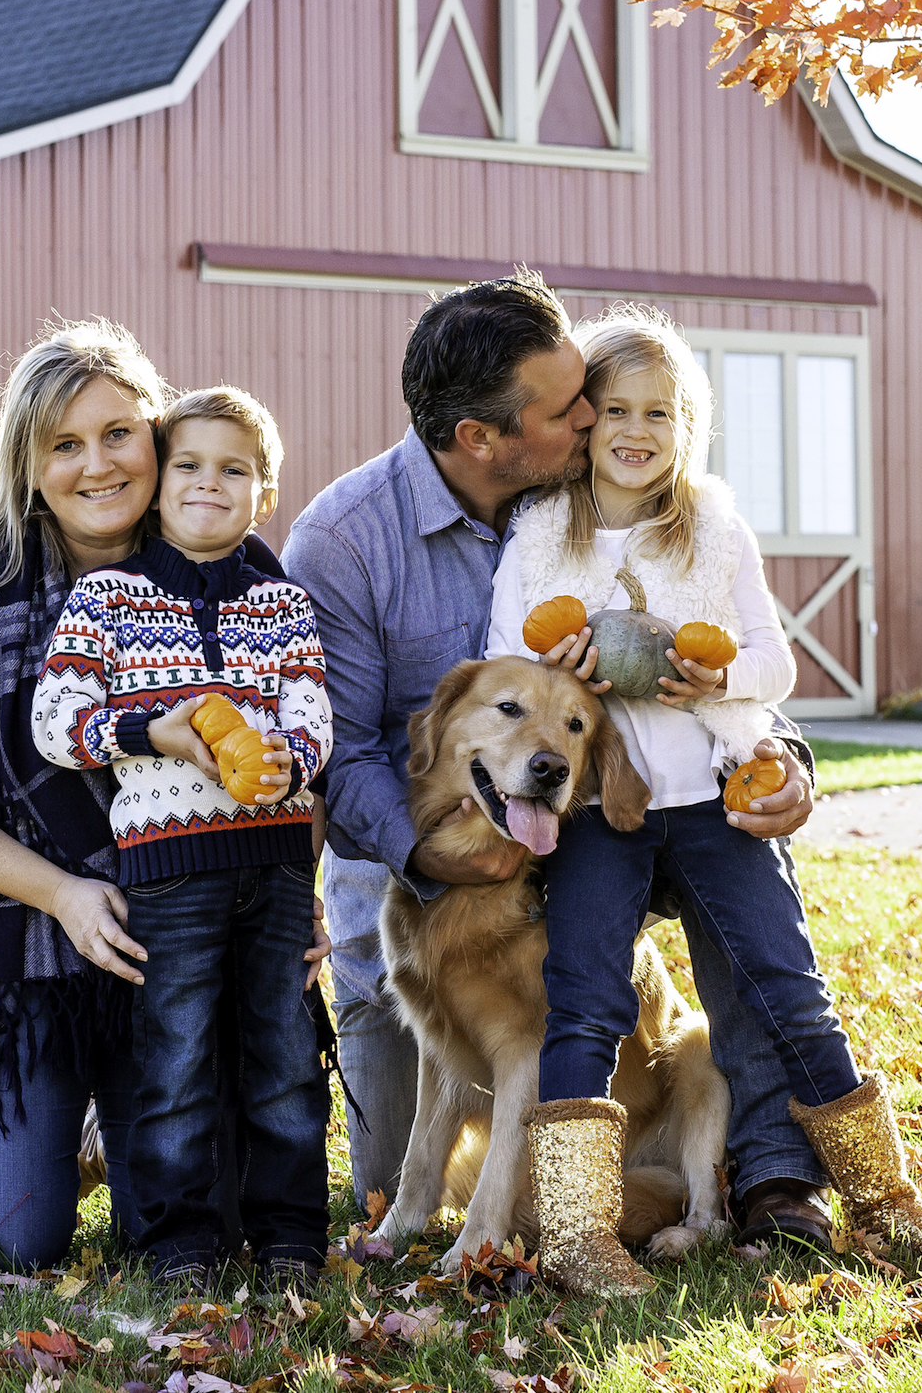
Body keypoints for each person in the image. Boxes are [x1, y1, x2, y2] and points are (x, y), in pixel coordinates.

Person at [284, 270, 837, 1255]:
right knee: (386, 1188)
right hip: (424, 874)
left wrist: (778, 752)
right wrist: (433, 851)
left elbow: (725, 651)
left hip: (605, 824)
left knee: (743, 948)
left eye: (599, 396)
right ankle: (563, 1201)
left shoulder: (614, 495)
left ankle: (769, 1177)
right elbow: (342, 745)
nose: (593, 418)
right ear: (481, 440)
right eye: (570, 407)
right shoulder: (346, 540)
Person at [488, 304, 922, 1295]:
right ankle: (580, 1228)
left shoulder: (709, 523)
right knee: (583, 998)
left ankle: (881, 1193)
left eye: (660, 412)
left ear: (687, 426)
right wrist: (569, 674)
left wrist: (716, 681)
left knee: (783, 982)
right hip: (597, 811)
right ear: (584, 422)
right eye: (617, 408)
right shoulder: (544, 530)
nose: (637, 430)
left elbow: (774, 660)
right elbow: (505, 656)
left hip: (712, 795)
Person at [0, 322, 321, 1270]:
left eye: (118, 434)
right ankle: (36, 1123)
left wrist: (288, 888)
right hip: (29, 938)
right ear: (27, 465)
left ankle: (135, 1130)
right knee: (9, 1236)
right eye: (64, 444)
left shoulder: (238, 572)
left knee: (222, 1222)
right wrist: (65, 895)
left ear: (159, 436)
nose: (97, 464)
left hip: (197, 917)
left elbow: (286, 746)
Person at [33, 386, 333, 1292]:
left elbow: (314, 712)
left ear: (264, 494)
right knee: (175, 1060)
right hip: (168, 876)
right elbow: (57, 719)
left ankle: (291, 1237)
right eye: (191, 466)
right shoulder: (108, 598)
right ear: (161, 485)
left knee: (284, 1061)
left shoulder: (282, 604)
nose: (210, 484)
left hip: (274, 870)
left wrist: (291, 756)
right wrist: (152, 726)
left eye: (234, 470)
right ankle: (181, 1244)